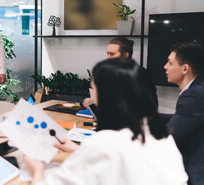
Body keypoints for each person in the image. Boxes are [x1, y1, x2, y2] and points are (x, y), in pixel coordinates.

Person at [24, 58, 188, 185]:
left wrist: (36, 170)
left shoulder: (105, 142)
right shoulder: (161, 136)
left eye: (95, 92)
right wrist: (79, 151)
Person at [163, 42, 204, 185]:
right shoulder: (197, 89)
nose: (165, 67)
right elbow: (180, 118)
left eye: (170, 62)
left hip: (194, 175)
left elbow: (169, 137)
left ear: (185, 68)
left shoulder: (194, 95)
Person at [83, 37, 158, 107]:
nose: (108, 57)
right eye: (107, 53)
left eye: (112, 54)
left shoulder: (143, 75)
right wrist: (85, 102)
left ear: (125, 55)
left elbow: (152, 105)